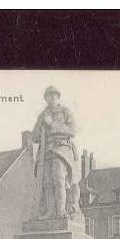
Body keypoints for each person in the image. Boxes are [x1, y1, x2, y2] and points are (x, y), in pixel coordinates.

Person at [31, 86, 78, 219]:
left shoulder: (65, 112)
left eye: (54, 96)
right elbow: (34, 137)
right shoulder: (42, 115)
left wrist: (52, 124)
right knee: (47, 183)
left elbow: (72, 131)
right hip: (45, 152)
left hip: (61, 150)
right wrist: (40, 128)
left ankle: (60, 211)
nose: (51, 99)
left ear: (58, 97)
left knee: (58, 180)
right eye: (48, 96)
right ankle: (50, 212)